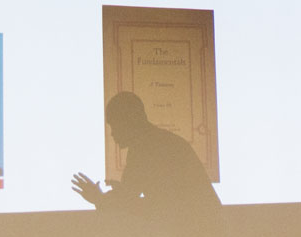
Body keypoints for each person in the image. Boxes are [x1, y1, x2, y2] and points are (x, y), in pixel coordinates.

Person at [71, 92, 221, 229]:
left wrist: (100, 198)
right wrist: (115, 195)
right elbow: (133, 196)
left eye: (114, 125)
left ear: (129, 121)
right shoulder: (154, 142)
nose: (112, 133)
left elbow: (152, 205)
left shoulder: (146, 148)